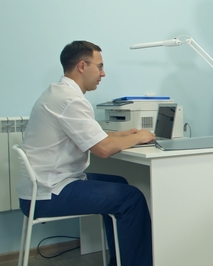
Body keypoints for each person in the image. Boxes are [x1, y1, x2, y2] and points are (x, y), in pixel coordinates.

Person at [18, 41, 155, 266]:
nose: (103, 73)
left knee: (120, 182)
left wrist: (122, 135)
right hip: (48, 194)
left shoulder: (58, 92)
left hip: (42, 187)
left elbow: (92, 135)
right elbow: (102, 149)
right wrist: (139, 137)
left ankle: (119, 260)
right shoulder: (71, 100)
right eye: (99, 67)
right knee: (131, 198)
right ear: (82, 66)